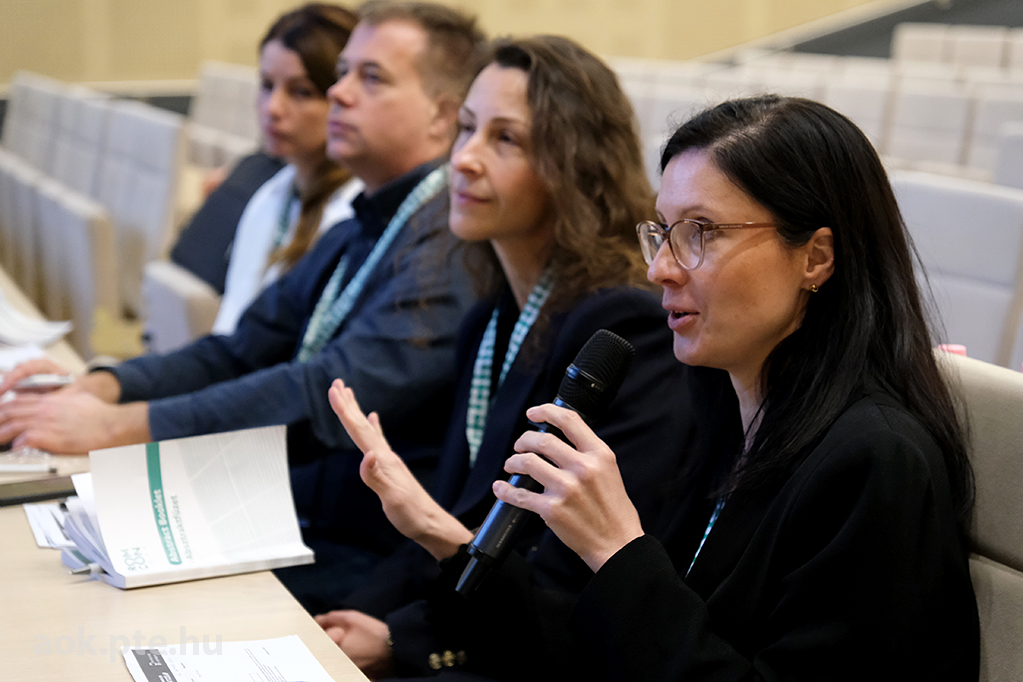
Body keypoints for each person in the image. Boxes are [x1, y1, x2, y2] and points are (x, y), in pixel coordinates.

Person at [446, 95, 976, 680]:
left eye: (700, 232)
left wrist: (616, 551)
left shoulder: (877, 461)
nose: (660, 269)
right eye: (663, 233)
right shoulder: (724, 420)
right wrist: (438, 534)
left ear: (815, 257)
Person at [0, 1, 486, 614]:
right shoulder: (362, 225)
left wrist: (117, 427)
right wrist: (103, 386)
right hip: (290, 511)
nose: (338, 93)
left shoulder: (449, 246)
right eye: (341, 73)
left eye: (371, 78)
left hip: (362, 556)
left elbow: (327, 393)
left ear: (443, 116)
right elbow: (238, 350)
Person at [313, 36, 707, 680]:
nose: (464, 159)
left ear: (573, 166)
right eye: (466, 128)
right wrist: (349, 624)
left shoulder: (622, 330)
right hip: (480, 625)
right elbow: (460, 520)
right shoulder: (489, 321)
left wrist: (403, 640)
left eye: (505, 139)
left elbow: (567, 589)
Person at [213, 3, 363, 334]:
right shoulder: (270, 196)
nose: (273, 108)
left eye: (301, 92)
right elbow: (231, 328)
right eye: (267, 85)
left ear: (343, 99)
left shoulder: (355, 214)